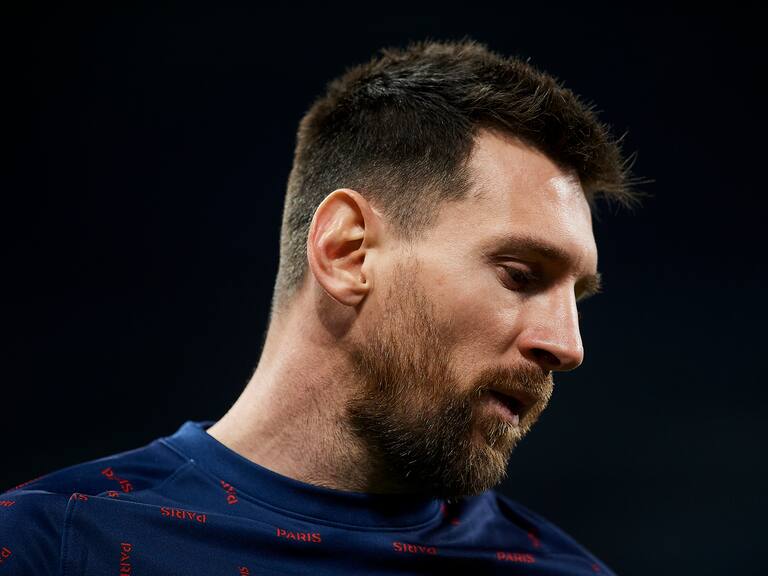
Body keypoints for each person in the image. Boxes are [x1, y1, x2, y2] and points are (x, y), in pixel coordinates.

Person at [1, 38, 644, 574]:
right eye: (522, 275)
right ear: (347, 252)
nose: (568, 345)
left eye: (577, 296)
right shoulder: (52, 545)